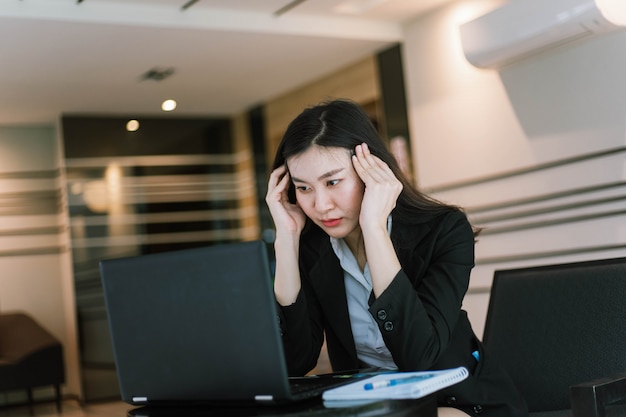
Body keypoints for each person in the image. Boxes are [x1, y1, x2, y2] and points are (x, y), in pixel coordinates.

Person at [265, 99, 527, 417]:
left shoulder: (443, 231)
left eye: (333, 182)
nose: (321, 205)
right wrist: (287, 239)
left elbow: (420, 355)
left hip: (459, 403)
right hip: (373, 409)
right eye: (303, 188)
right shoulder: (313, 249)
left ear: (371, 171)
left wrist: (374, 229)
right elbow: (295, 363)